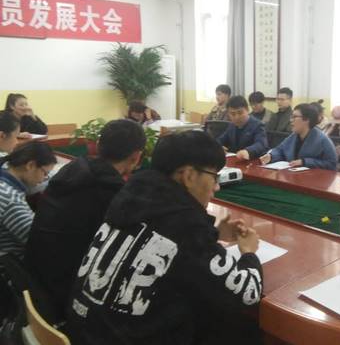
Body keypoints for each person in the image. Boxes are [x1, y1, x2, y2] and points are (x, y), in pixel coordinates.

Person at [67, 131, 262, 345]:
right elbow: (248, 294)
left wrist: (213, 233)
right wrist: (249, 253)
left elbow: (164, 240)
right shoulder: (185, 225)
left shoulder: (129, 196)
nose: (216, 187)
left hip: (81, 331)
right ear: (188, 176)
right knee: (240, 330)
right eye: (214, 177)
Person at [24, 119, 146, 318]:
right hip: (64, 299)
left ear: (97, 145)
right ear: (136, 157)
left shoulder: (71, 169)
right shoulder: (111, 192)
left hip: (34, 283)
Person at [0, 141, 56, 261]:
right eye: (45, 173)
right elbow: (41, 242)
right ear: (30, 165)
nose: (43, 179)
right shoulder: (12, 201)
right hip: (10, 266)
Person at [261, 104, 337, 170]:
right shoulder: (294, 136)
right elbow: (280, 150)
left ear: (307, 119)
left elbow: (331, 164)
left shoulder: (322, 139)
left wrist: (304, 162)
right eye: (291, 117)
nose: (291, 120)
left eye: (294, 117)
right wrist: (271, 156)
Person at [216, 96, 268, 160]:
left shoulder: (257, 125)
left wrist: (247, 151)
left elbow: (261, 144)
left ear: (247, 110)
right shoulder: (232, 125)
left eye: (240, 113)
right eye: (233, 114)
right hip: (236, 161)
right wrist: (218, 147)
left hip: (252, 161)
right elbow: (220, 140)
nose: (237, 117)